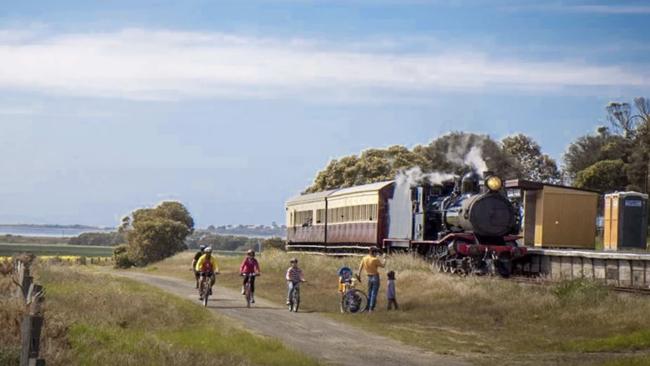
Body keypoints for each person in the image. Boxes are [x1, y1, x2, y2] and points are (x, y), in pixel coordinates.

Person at [357, 247, 386, 312]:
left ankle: (367, 307)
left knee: (369, 293)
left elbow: (360, 267)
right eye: (376, 253)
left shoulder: (364, 258)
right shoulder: (375, 259)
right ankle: (371, 308)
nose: (377, 254)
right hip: (375, 276)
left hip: (369, 277)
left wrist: (359, 274)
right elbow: (383, 265)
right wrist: (384, 258)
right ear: (374, 252)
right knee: (374, 293)